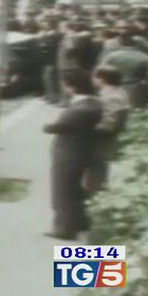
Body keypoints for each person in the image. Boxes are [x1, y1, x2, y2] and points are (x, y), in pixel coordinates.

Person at [43, 70, 103, 240]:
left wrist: (47, 127)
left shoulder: (80, 108)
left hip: (68, 154)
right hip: (79, 151)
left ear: (71, 86)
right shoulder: (93, 103)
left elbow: (59, 126)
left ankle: (65, 228)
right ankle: (79, 222)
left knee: (63, 192)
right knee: (74, 191)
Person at [84, 67, 129, 195]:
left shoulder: (110, 97)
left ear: (102, 79)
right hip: (108, 138)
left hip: (102, 139)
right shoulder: (119, 92)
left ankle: (94, 196)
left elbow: (108, 123)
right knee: (99, 168)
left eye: (94, 77)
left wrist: (88, 130)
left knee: (96, 170)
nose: (92, 80)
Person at [98, 32, 148, 109]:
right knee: (136, 109)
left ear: (120, 43)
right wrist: (147, 78)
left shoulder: (111, 56)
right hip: (136, 87)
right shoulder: (143, 56)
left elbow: (101, 69)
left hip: (114, 87)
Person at [38, 19, 63, 104]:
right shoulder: (47, 35)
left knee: (49, 79)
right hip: (46, 60)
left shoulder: (55, 35)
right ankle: (48, 95)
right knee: (46, 79)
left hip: (52, 60)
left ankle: (52, 98)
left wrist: (43, 40)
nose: (44, 26)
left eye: (46, 24)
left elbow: (48, 45)